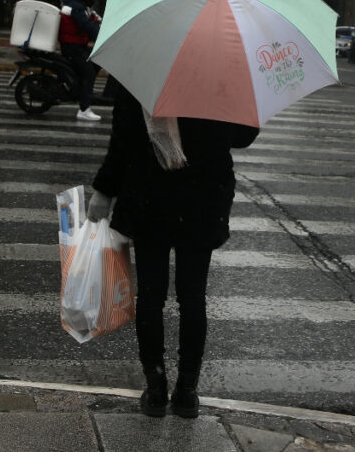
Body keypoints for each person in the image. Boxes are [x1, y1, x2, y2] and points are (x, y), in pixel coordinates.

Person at [86, 88, 259, 419]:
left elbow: (123, 138)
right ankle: (187, 392)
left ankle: (155, 389)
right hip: (202, 197)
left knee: (151, 295)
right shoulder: (220, 74)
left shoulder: (143, 72)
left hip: (152, 194)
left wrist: (105, 191)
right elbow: (242, 137)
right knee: (193, 297)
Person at [58, 0, 102, 121]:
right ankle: (84, 109)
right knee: (88, 72)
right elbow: (86, 26)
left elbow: (92, 21)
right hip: (72, 48)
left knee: (96, 60)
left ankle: (83, 89)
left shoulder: (80, 6)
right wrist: (99, 36)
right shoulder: (76, 7)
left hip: (77, 46)